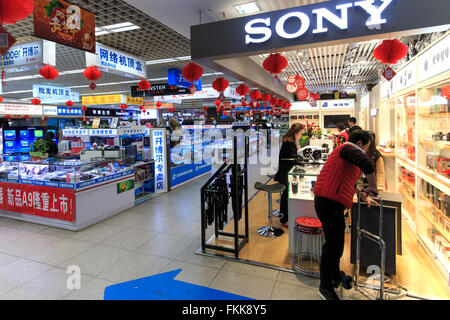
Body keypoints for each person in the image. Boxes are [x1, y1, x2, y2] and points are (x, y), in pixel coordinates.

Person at [313, 130, 378, 300]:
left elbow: (346, 179)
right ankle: (325, 286)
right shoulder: (347, 147)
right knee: (333, 246)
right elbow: (366, 163)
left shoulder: (347, 153)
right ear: (360, 144)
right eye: (366, 147)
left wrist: (362, 192)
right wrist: (373, 187)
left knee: (337, 243)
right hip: (328, 202)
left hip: (331, 202)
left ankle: (335, 276)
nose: (366, 151)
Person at [274, 123, 305, 227]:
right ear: (296, 132)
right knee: (287, 195)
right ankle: (285, 219)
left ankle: (284, 215)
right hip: (286, 172)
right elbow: (294, 158)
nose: (301, 134)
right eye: (301, 132)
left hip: (285, 171)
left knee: (285, 194)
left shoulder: (290, 141)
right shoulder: (290, 142)